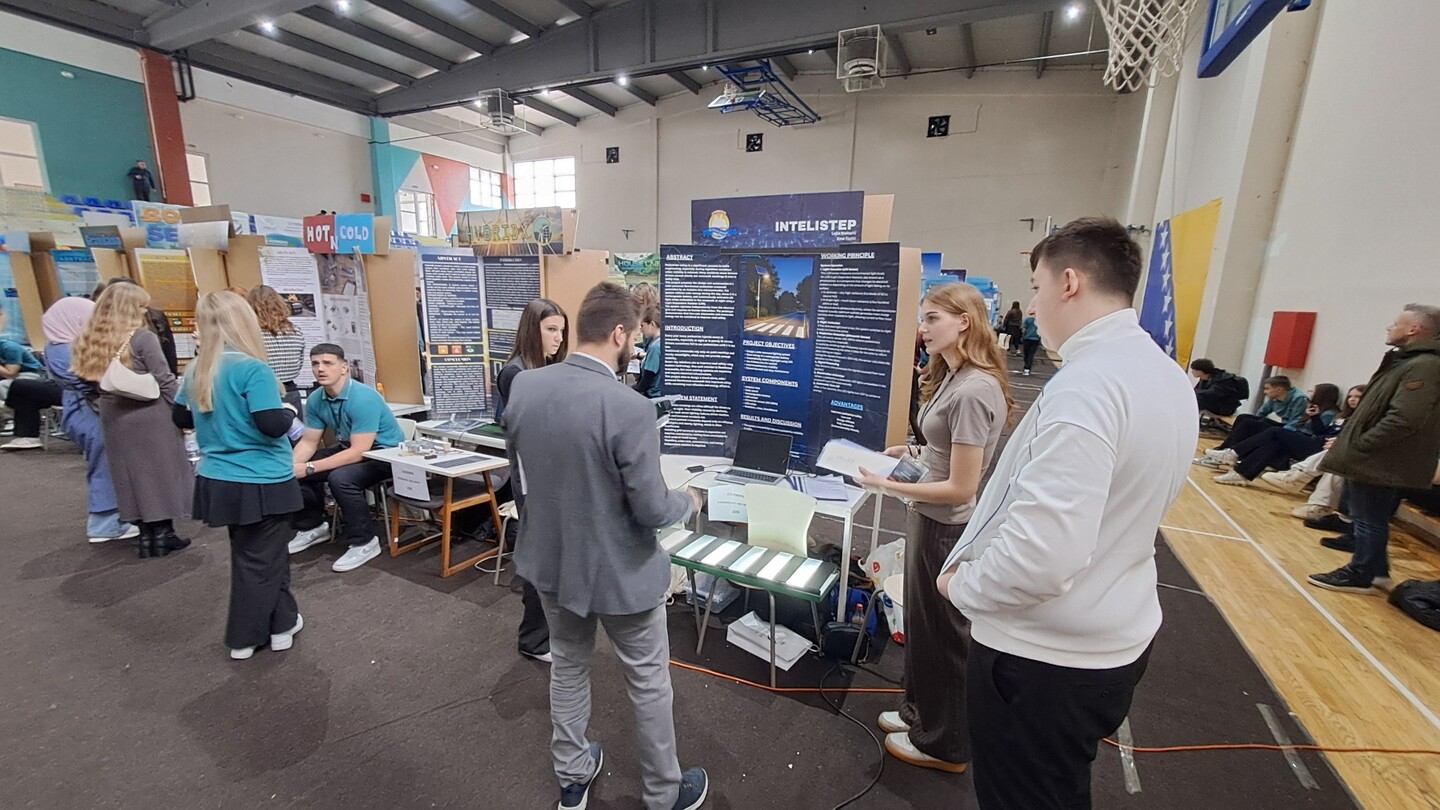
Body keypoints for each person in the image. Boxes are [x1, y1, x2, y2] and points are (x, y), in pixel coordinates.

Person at [937, 218, 1197, 810]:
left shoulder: (1088, 387)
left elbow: (1041, 557)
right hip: (1108, 636)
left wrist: (963, 588)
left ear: (1070, 283)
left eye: (1037, 287)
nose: (1033, 305)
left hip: (1041, 659)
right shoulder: (1163, 372)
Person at [505, 282, 709, 810]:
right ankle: (664, 793)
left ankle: (573, 777)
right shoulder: (630, 408)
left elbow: (523, 479)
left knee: (569, 667)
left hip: (552, 563)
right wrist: (688, 500)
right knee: (648, 682)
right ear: (620, 333)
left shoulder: (524, 387)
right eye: (634, 338)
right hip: (623, 572)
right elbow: (652, 509)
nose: (635, 346)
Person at [855, 282, 1011, 774]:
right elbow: (944, 452)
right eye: (922, 319)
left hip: (947, 527)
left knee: (945, 637)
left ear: (965, 321)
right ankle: (920, 715)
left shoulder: (976, 388)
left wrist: (887, 484)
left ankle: (947, 745)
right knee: (924, 629)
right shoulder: (951, 375)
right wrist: (911, 452)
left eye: (931, 319)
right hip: (928, 516)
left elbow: (963, 486)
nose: (921, 329)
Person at [174, 293, 303, 660]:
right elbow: (270, 424)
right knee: (260, 560)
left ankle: (283, 624)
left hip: (219, 478)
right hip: (262, 478)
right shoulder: (252, 369)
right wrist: (290, 411)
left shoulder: (197, 369)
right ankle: (244, 636)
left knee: (261, 554)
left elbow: (181, 418)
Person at [1308, 304, 1440, 595]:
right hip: (1377, 457)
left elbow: (1404, 418)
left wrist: (1360, 445)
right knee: (1369, 517)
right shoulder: (1407, 362)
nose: (1389, 327)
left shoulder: (1425, 365)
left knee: (1368, 519)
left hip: (1381, 459)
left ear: (1414, 329)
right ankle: (1376, 572)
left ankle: (1361, 574)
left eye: (1396, 323)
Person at [72, 282, 193, 558]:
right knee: (160, 474)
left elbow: (85, 379)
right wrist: (185, 410)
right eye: (140, 306)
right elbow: (164, 379)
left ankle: (146, 537)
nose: (144, 311)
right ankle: (163, 534)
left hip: (113, 415)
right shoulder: (142, 338)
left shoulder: (89, 339)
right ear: (128, 308)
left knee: (130, 477)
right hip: (150, 414)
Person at [493, 297, 570, 664]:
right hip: (533, 481)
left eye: (561, 331)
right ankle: (535, 640)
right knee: (541, 560)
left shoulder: (539, 370)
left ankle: (545, 633)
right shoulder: (518, 373)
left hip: (546, 477)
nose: (558, 338)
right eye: (551, 329)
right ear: (531, 330)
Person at [289, 343, 405, 572]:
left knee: (341, 479)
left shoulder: (363, 398)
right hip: (350, 447)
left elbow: (359, 451)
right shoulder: (316, 399)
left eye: (328, 363)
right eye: (315, 364)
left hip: (386, 454)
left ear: (344, 368)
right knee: (294, 470)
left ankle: (365, 541)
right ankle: (314, 526)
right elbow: (309, 442)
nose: (320, 369)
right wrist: (292, 466)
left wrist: (309, 467)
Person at [34, 298, 138, 542]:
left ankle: (113, 519)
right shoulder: (69, 350)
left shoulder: (55, 347)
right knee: (104, 466)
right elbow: (95, 379)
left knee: (104, 464)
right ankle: (106, 524)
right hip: (90, 413)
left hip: (80, 411)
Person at [1212, 383, 1343, 484]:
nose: (1310, 392)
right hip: (1306, 437)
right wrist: (1313, 417)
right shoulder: (1326, 412)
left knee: (1275, 431)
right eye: (1350, 397)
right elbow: (1318, 430)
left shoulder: (1329, 413)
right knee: (1273, 442)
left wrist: (1314, 418)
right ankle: (1241, 474)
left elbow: (1319, 432)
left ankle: (1233, 452)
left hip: (1314, 444)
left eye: (1313, 391)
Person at [1204, 375, 1309, 455]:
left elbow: (1296, 421)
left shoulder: (1299, 399)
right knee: (1243, 417)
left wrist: (1280, 433)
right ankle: (1225, 447)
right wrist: (1257, 421)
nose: (1265, 392)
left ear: (1279, 389)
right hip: (1283, 426)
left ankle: (1232, 451)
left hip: (1291, 429)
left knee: (1249, 424)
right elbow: (1262, 412)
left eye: (1267, 388)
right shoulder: (1274, 398)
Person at [247, 285, 308, 414]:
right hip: (291, 392)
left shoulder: (250, 334)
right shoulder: (296, 331)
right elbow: (299, 363)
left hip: (262, 394)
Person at [634, 307, 664, 398]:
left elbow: (648, 378)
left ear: (652, 324)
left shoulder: (655, 348)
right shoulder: (661, 343)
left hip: (653, 395)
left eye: (642, 326)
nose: (641, 330)